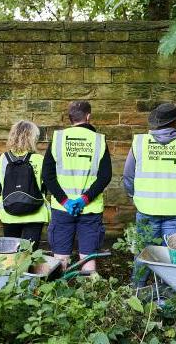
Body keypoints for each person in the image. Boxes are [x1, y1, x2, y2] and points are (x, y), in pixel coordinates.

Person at [123, 103, 176, 286]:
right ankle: (169, 293)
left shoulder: (140, 142)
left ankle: (137, 289)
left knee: (144, 250)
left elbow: (128, 176)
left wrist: (135, 196)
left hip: (146, 208)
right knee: (174, 253)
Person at [42, 101, 112, 273]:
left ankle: (57, 295)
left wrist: (65, 201)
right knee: (87, 257)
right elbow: (105, 176)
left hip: (62, 209)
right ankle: (88, 293)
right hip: (90, 209)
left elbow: (47, 175)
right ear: (88, 117)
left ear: (70, 118)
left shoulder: (58, 139)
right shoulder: (99, 141)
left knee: (60, 257)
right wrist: (84, 199)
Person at [0, 120, 49, 251]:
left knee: (12, 253)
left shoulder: (2, 158)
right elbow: (45, 187)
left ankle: (14, 272)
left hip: (9, 212)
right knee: (29, 254)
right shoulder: (39, 159)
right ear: (32, 137)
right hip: (35, 213)